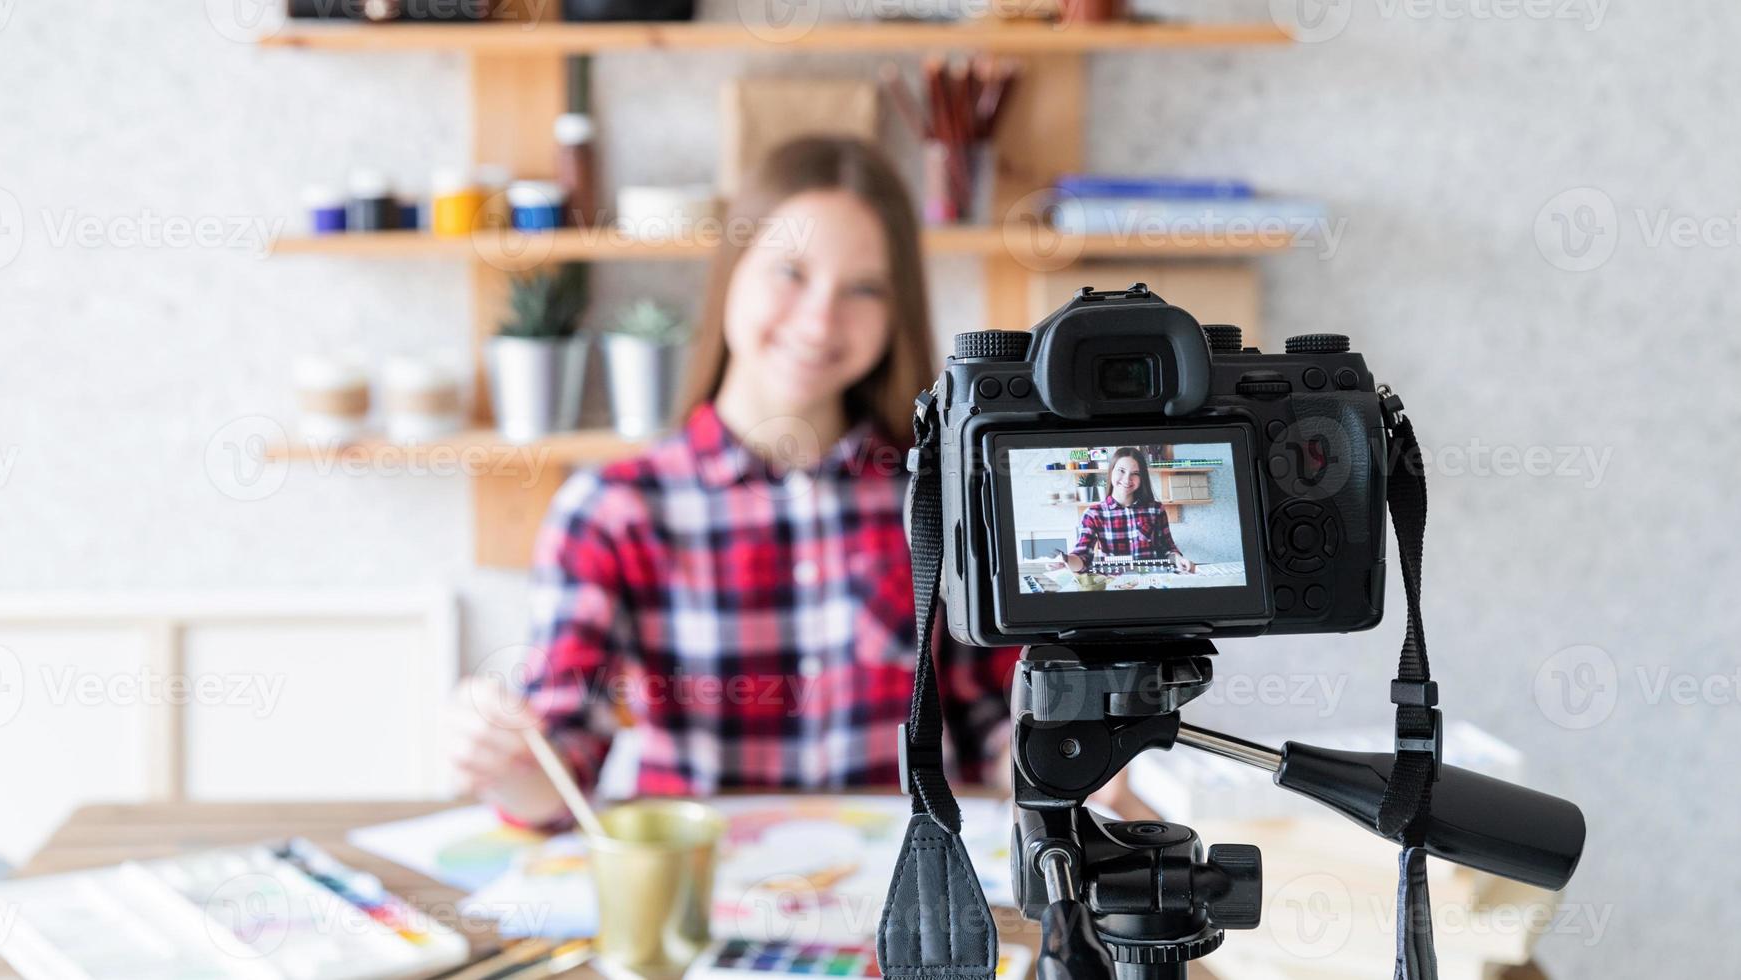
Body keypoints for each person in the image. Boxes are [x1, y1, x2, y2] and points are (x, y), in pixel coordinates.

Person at [447, 137, 1024, 828]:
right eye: (790, 272)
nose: (819, 318)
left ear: (896, 311)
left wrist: (1068, 762)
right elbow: (562, 767)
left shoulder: (939, 499)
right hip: (705, 906)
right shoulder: (612, 512)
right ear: (729, 275)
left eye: (864, 288)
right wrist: (508, 761)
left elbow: (987, 720)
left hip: (911, 898)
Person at [1062, 447, 1197, 574]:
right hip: (1113, 582)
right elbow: (1082, 556)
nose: (1127, 479)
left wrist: (1178, 558)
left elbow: (1167, 549)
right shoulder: (1093, 514)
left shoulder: (1156, 509)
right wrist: (1066, 561)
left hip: (1153, 579)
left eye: (1135, 473)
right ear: (1111, 471)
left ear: (1142, 478)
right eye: (1121, 470)